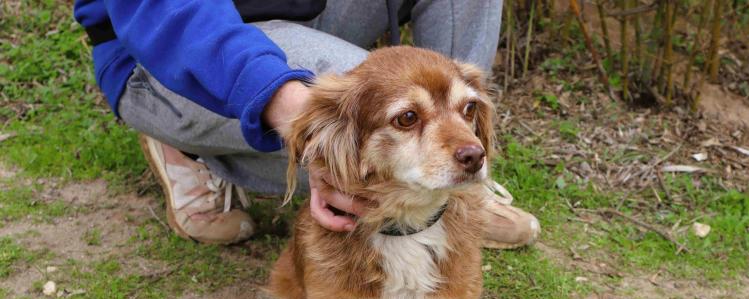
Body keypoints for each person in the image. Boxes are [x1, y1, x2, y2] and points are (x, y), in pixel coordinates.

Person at [73, 1, 540, 248]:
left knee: (381, 128)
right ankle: (186, 143)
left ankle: (450, 177)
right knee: (362, 112)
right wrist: (292, 107)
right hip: (166, 45)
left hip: (306, 11)